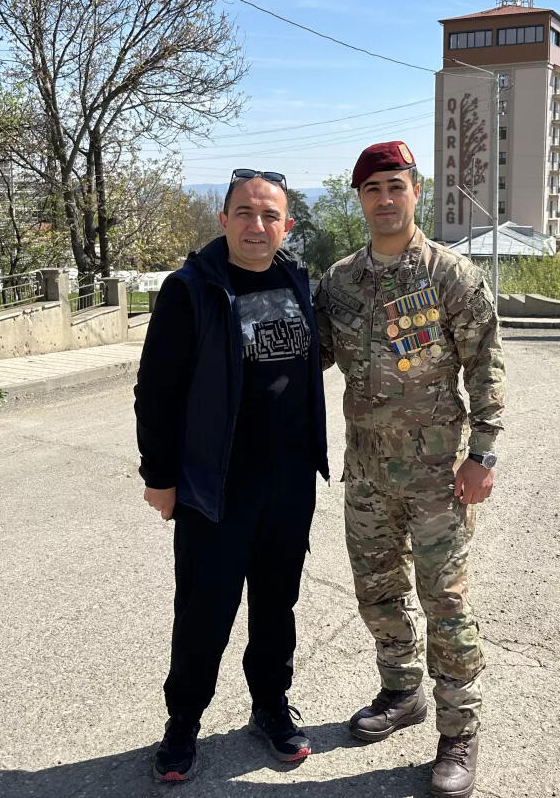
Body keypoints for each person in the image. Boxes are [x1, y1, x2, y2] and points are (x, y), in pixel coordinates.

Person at [314, 141, 505, 798]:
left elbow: (486, 365)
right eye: (373, 189)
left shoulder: (452, 277)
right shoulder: (339, 283)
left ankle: (459, 730)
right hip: (367, 472)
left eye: (396, 186)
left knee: (445, 602)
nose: (385, 200)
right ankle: (402, 693)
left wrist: (483, 453)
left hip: (437, 476)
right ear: (360, 199)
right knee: (376, 592)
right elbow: (308, 354)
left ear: (415, 192)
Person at [134, 168, 329, 783]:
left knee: (277, 606)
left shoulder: (296, 278)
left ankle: (270, 705)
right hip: (214, 486)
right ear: (223, 220)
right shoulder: (190, 289)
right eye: (245, 212)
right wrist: (159, 475)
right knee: (204, 612)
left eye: (270, 215)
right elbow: (155, 391)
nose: (257, 225)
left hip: (288, 484)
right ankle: (182, 723)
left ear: (286, 226)